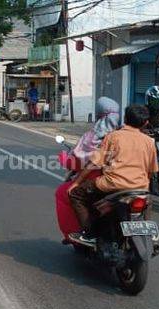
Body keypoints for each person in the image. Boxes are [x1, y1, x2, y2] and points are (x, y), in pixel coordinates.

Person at [67, 105, 159, 244]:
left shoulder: (113, 136)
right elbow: (151, 171)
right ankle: (151, 237)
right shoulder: (149, 142)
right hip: (140, 187)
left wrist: (76, 182)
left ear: (125, 119)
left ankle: (89, 233)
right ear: (145, 122)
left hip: (112, 185)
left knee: (76, 194)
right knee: (147, 201)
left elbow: (94, 163)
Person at [55, 97, 121, 240]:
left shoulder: (92, 137)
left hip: (99, 181)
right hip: (127, 181)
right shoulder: (123, 135)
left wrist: (64, 159)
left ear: (99, 114)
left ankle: (82, 233)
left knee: (64, 193)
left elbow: (79, 161)